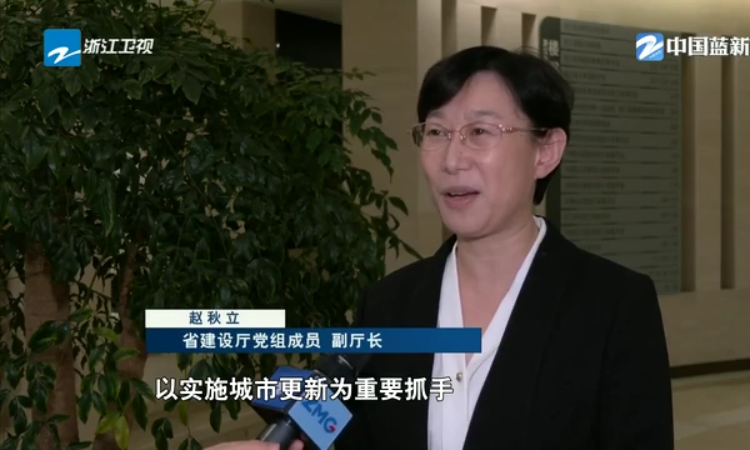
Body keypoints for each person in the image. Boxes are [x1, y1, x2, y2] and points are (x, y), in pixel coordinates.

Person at [208, 45, 674, 450]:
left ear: (546, 150)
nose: (452, 159)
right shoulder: (387, 305)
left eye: (480, 132)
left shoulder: (614, 305)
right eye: (435, 132)